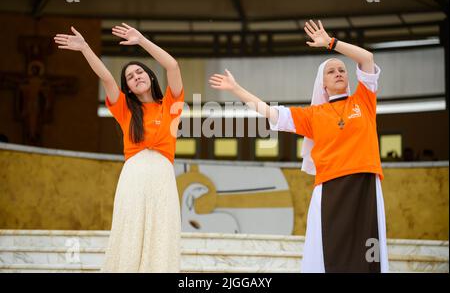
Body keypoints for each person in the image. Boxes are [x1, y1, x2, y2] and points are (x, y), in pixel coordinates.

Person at [208, 19, 389, 273]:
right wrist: (236, 89)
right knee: (332, 253)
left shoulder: (364, 101)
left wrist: (331, 43)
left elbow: (367, 58)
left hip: (365, 182)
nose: (338, 73)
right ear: (322, 84)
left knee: (369, 254)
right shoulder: (312, 116)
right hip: (331, 188)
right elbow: (270, 113)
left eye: (342, 70)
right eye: (331, 71)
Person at [54, 23, 184, 272]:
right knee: (130, 229)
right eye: (130, 78)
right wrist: (85, 48)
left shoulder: (170, 103)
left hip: (162, 176)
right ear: (128, 88)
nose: (136, 77)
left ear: (150, 75)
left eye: (140, 72)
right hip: (134, 175)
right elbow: (106, 77)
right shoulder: (125, 109)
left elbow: (173, 66)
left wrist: (142, 40)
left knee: (161, 231)